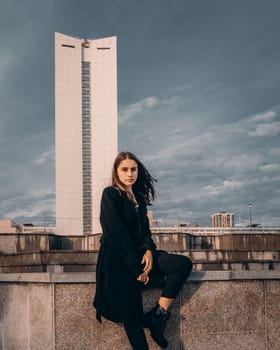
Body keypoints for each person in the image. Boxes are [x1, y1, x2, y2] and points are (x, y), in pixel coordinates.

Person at [93, 151, 193, 349]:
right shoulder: (111, 194)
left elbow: (145, 233)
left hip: (139, 257)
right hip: (117, 261)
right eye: (125, 169)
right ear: (116, 172)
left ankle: (158, 316)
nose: (129, 173)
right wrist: (137, 270)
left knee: (182, 264)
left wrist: (148, 250)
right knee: (132, 317)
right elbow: (116, 235)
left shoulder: (138, 199)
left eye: (133, 169)